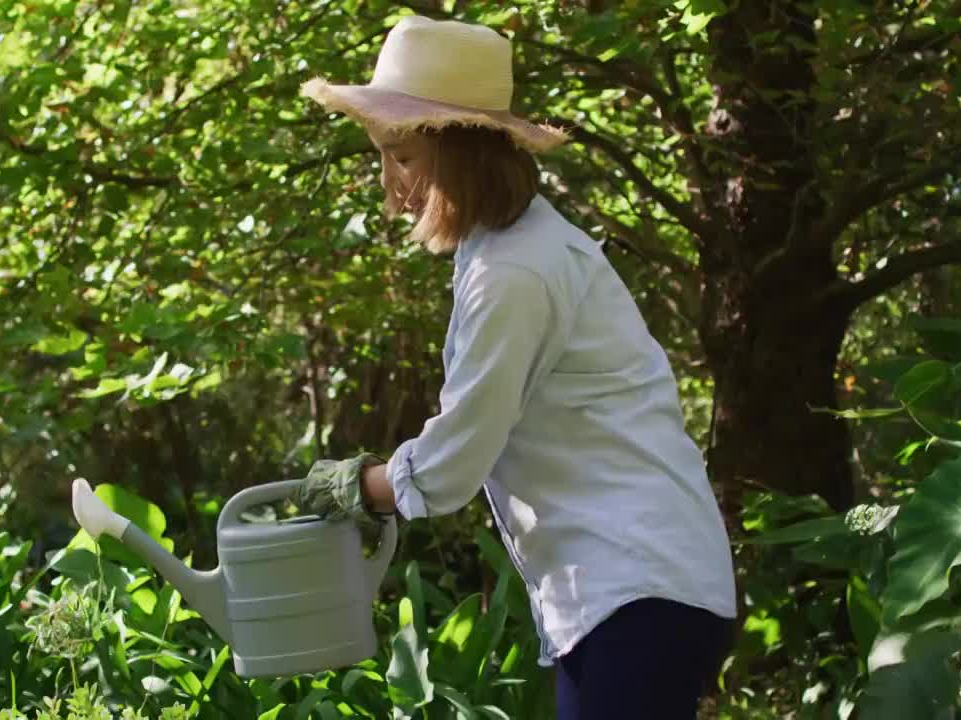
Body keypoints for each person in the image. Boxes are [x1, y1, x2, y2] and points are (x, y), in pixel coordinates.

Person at [291, 15, 737, 719]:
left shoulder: (515, 271)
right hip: (614, 596)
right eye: (380, 155)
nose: (390, 185)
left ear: (462, 150)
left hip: (640, 591)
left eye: (401, 156)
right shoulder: (504, 251)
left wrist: (354, 487)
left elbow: (451, 466)